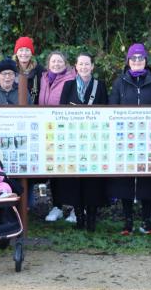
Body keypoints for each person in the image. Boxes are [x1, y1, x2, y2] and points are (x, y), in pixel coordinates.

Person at [108, 43, 151, 235]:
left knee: (147, 178)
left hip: (149, 138)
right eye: (133, 58)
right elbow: (111, 110)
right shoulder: (120, 82)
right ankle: (127, 221)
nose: (137, 62)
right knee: (125, 179)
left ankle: (147, 220)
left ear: (145, 61)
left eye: (140, 58)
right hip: (125, 139)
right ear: (128, 61)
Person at [50, 52, 109, 231]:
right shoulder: (68, 85)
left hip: (94, 141)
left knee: (93, 181)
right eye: (80, 64)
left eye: (87, 64)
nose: (84, 67)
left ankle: (91, 219)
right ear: (75, 67)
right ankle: (79, 218)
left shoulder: (100, 86)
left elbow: (106, 112)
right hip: (73, 141)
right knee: (75, 180)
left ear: (92, 66)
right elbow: (61, 112)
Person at [39, 50, 78, 222]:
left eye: (59, 61)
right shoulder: (43, 78)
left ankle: (76, 208)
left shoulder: (72, 78)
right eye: (53, 61)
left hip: (66, 131)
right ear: (48, 64)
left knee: (71, 171)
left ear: (65, 63)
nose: (56, 64)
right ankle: (57, 206)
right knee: (54, 171)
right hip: (48, 132)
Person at [12, 36, 44, 103]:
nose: (24, 53)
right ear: (16, 53)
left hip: (33, 109)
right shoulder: (10, 69)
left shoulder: (40, 71)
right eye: (21, 50)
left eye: (27, 50)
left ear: (31, 53)